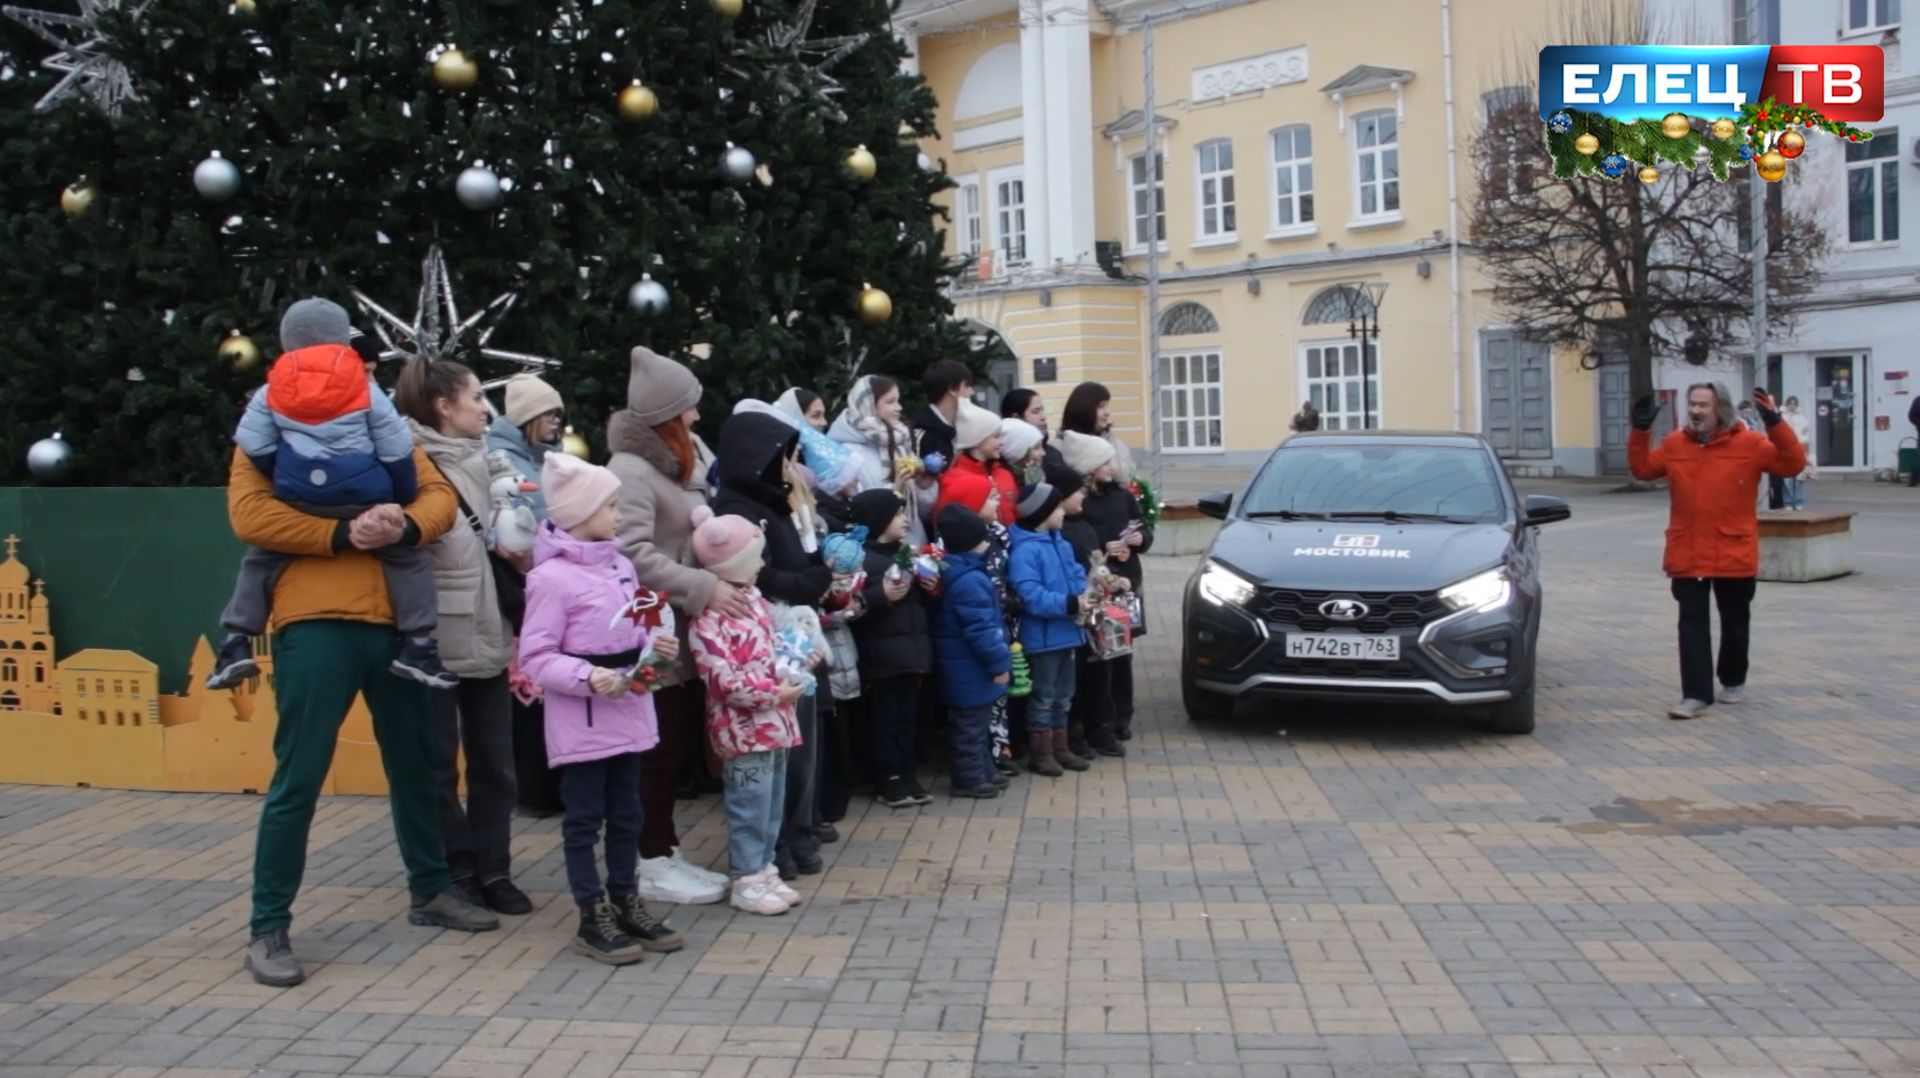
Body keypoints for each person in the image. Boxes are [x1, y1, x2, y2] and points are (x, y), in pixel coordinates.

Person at [229, 301, 498, 989]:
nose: (362, 360)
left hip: (396, 628)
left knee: (419, 766)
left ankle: (431, 889)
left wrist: (401, 526)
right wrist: (344, 533)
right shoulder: (268, 422)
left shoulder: (375, 416)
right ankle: (269, 926)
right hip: (314, 623)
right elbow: (248, 513)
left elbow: (434, 500)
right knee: (299, 777)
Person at [208, 298, 448, 692]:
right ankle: (419, 644)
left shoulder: (272, 391)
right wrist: (391, 505)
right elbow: (397, 451)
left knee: (259, 562)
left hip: (298, 495)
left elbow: (253, 443)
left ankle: (235, 641)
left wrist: (281, 471)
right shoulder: (365, 392)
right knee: (409, 560)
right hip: (363, 505)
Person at [517, 453, 687, 963]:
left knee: (628, 812)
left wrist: (659, 643)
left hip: (628, 707)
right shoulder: (549, 578)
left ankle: (626, 898)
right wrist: (588, 676)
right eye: (610, 505)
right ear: (579, 512)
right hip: (584, 717)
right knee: (585, 817)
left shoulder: (621, 564)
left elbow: (639, 619)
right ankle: (592, 913)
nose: (619, 513)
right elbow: (536, 655)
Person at [394, 356, 530, 916]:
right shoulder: (406, 463)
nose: (485, 408)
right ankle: (456, 871)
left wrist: (520, 541)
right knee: (436, 763)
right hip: (432, 636)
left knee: (496, 760)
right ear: (442, 406)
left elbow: (521, 544)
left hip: (489, 624)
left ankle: (494, 868)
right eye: (475, 397)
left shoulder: (492, 460)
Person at [606, 346, 735, 906]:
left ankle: (662, 846)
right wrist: (702, 584)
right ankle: (648, 859)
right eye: (689, 408)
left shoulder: (679, 463)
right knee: (653, 744)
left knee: (671, 739)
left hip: (677, 623)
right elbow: (628, 552)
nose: (698, 417)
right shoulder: (631, 471)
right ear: (666, 416)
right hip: (648, 628)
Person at [1628, 384, 1806, 721]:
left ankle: (1733, 679)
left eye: (1703, 405)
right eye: (1692, 404)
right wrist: (1639, 431)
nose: (1695, 411)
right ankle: (1695, 695)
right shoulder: (1675, 444)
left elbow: (1792, 464)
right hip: (1688, 549)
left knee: (1735, 621)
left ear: (1720, 409)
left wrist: (1774, 421)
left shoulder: (1750, 444)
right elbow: (1643, 470)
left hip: (1733, 549)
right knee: (1691, 623)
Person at [710, 411, 834, 878]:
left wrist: (817, 571)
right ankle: (776, 845)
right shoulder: (736, 508)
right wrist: (809, 580)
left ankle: (799, 833)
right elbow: (761, 575)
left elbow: (803, 561)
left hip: (798, 635)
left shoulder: (779, 504)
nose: (788, 466)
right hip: (765, 639)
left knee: (803, 748)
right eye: (782, 455)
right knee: (778, 751)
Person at [687, 507, 808, 915]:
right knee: (748, 801)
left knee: (771, 800)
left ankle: (764, 866)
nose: (761, 566)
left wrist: (793, 667)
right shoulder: (709, 616)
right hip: (743, 727)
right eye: (754, 559)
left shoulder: (755, 600)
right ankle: (747, 876)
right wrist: (774, 693)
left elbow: (772, 649)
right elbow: (722, 679)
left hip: (775, 722)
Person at [486, 373, 565, 817]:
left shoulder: (545, 456)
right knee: (528, 687)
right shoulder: (503, 460)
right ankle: (535, 790)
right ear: (528, 417)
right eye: (549, 412)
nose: (556, 420)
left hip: (543, 581)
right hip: (524, 585)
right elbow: (525, 523)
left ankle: (545, 786)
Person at [1061, 432, 1152, 748]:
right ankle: (1098, 721)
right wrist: (1104, 546)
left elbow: (1141, 528)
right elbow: (1084, 543)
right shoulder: (1080, 504)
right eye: (1105, 461)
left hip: (1125, 581)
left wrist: (1139, 542)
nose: (1112, 466)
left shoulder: (1121, 496)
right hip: (1098, 584)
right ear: (1088, 468)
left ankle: (1120, 717)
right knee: (1099, 657)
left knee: (1122, 652)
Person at [847, 489, 935, 807]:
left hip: (911, 651)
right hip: (882, 655)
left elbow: (925, 599)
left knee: (908, 719)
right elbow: (851, 607)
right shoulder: (861, 559)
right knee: (885, 720)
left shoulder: (908, 555)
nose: (905, 520)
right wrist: (880, 596)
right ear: (879, 520)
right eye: (898, 515)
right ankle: (888, 778)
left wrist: (931, 584)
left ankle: (908, 773)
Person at [930, 504, 1013, 799]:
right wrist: (999, 663)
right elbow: (983, 631)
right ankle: (968, 779)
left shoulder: (960, 573)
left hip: (965, 668)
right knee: (970, 727)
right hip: (970, 668)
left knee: (977, 723)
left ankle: (983, 771)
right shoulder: (971, 581)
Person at [1008, 480, 1089, 777]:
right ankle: (1041, 754)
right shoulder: (1025, 552)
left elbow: (1077, 576)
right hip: (1042, 637)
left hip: (1068, 632)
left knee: (1064, 694)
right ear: (1042, 513)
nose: (1062, 511)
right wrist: (1070, 603)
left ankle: (1060, 747)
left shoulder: (1061, 543)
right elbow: (1031, 596)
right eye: (1056, 507)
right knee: (1044, 696)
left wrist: (1089, 593)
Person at [933, 399, 1017, 526]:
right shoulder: (957, 480)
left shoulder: (1003, 473)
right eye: (995, 437)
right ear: (977, 440)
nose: (1001, 442)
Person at [1062, 381, 1138, 483]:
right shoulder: (1063, 446)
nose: (1107, 412)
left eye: (1107, 406)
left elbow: (1131, 479)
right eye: (1101, 406)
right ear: (1084, 408)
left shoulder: (1115, 442)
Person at [914, 359, 973, 471]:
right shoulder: (921, 434)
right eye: (967, 386)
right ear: (952, 389)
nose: (971, 392)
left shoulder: (966, 429)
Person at [1000, 388, 1065, 473]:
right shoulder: (1001, 464)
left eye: (1042, 410)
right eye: (1035, 412)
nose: (1043, 417)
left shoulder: (1052, 453)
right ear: (1016, 418)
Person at [1781, 397, 1815, 510]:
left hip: (1800, 448)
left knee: (1799, 478)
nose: (1792, 406)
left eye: (1794, 404)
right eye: (1790, 404)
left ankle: (1798, 500)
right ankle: (1788, 502)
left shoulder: (1801, 418)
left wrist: (1805, 445)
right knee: (1787, 478)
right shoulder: (1782, 417)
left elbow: (1807, 434)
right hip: (1786, 449)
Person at [999, 417, 1047, 486]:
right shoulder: (1006, 484)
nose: (1043, 453)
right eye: (1036, 448)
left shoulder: (1034, 474)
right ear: (1017, 452)